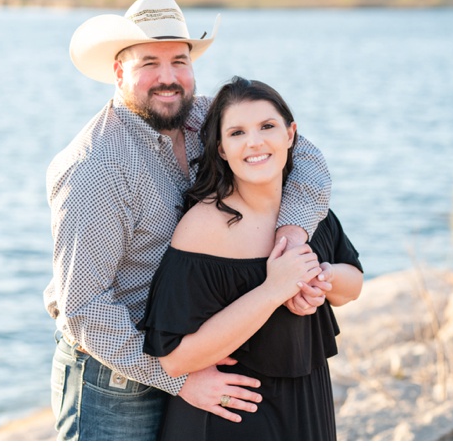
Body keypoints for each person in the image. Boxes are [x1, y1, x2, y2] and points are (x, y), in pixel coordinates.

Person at [44, 0, 333, 440]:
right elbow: (84, 308)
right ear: (119, 72)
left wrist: (291, 235)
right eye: (149, 63)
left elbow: (307, 160)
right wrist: (178, 379)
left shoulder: (205, 115)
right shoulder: (96, 167)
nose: (168, 78)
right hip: (117, 378)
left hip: (198, 351)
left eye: (179, 60)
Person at [138, 76, 363, 441]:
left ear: (290, 135)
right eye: (237, 132)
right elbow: (175, 358)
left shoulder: (305, 212)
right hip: (230, 417)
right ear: (222, 149)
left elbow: (353, 285)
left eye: (267, 126)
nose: (255, 142)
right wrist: (274, 289)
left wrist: (319, 276)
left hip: (306, 407)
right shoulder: (204, 228)